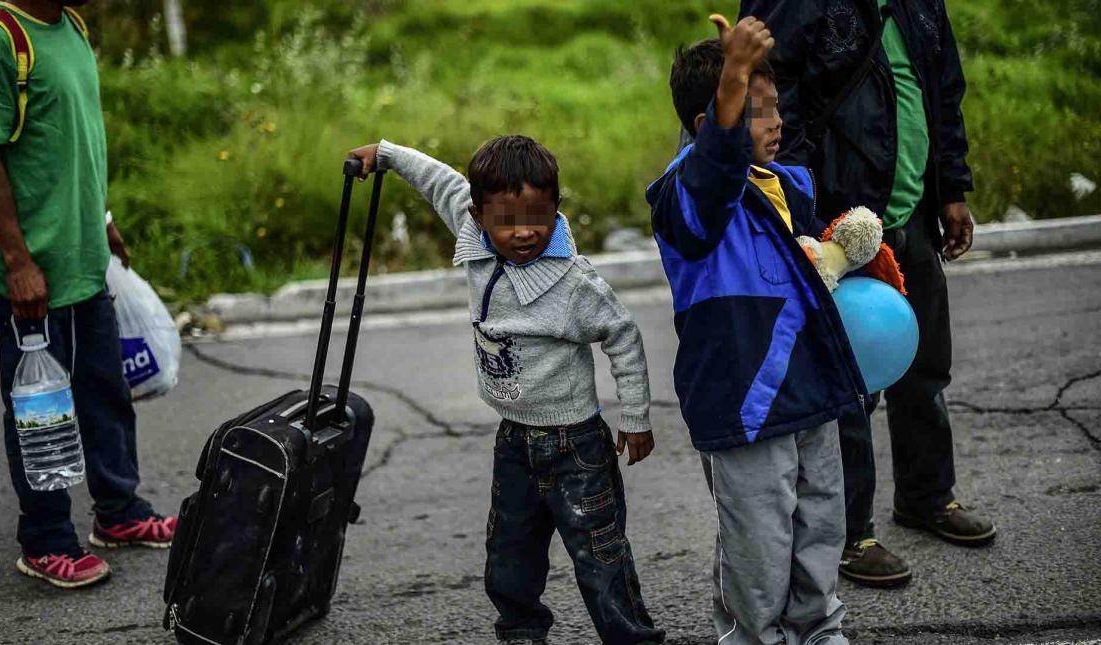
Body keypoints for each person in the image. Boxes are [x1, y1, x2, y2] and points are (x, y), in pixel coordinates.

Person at [347, 136, 664, 644]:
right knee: (508, 555)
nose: (523, 233)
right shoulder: (474, 237)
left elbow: (622, 335)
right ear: (477, 215)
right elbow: (438, 180)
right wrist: (383, 154)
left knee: (600, 556)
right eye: (506, 221)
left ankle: (632, 638)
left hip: (575, 446)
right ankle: (520, 633)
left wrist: (635, 416)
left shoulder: (573, 282)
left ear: (557, 208)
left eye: (539, 217)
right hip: (514, 439)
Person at [738, 0, 995, 588]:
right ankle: (852, 532)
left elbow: (942, 89)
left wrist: (951, 187)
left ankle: (928, 497)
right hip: (839, 224)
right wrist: (802, 212)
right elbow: (774, 101)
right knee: (849, 388)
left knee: (924, 367)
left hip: (911, 215)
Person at [647, 14, 863, 644]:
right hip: (746, 400)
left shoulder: (790, 186)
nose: (776, 123)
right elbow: (713, 178)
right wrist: (732, 73)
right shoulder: (683, 197)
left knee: (821, 519)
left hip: (809, 387)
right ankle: (753, 635)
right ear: (706, 126)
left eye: (775, 109)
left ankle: (818, 626)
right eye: (757, 110)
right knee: (758, 539)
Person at [0, 0, 175, 589]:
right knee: (40, 411)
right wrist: (17, 261)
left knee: (105, 393)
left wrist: (101, 218)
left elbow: (73, 141)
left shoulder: (71, 27)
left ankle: (119, 513)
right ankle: (46, 540)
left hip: (84, 260)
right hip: (32, 272)